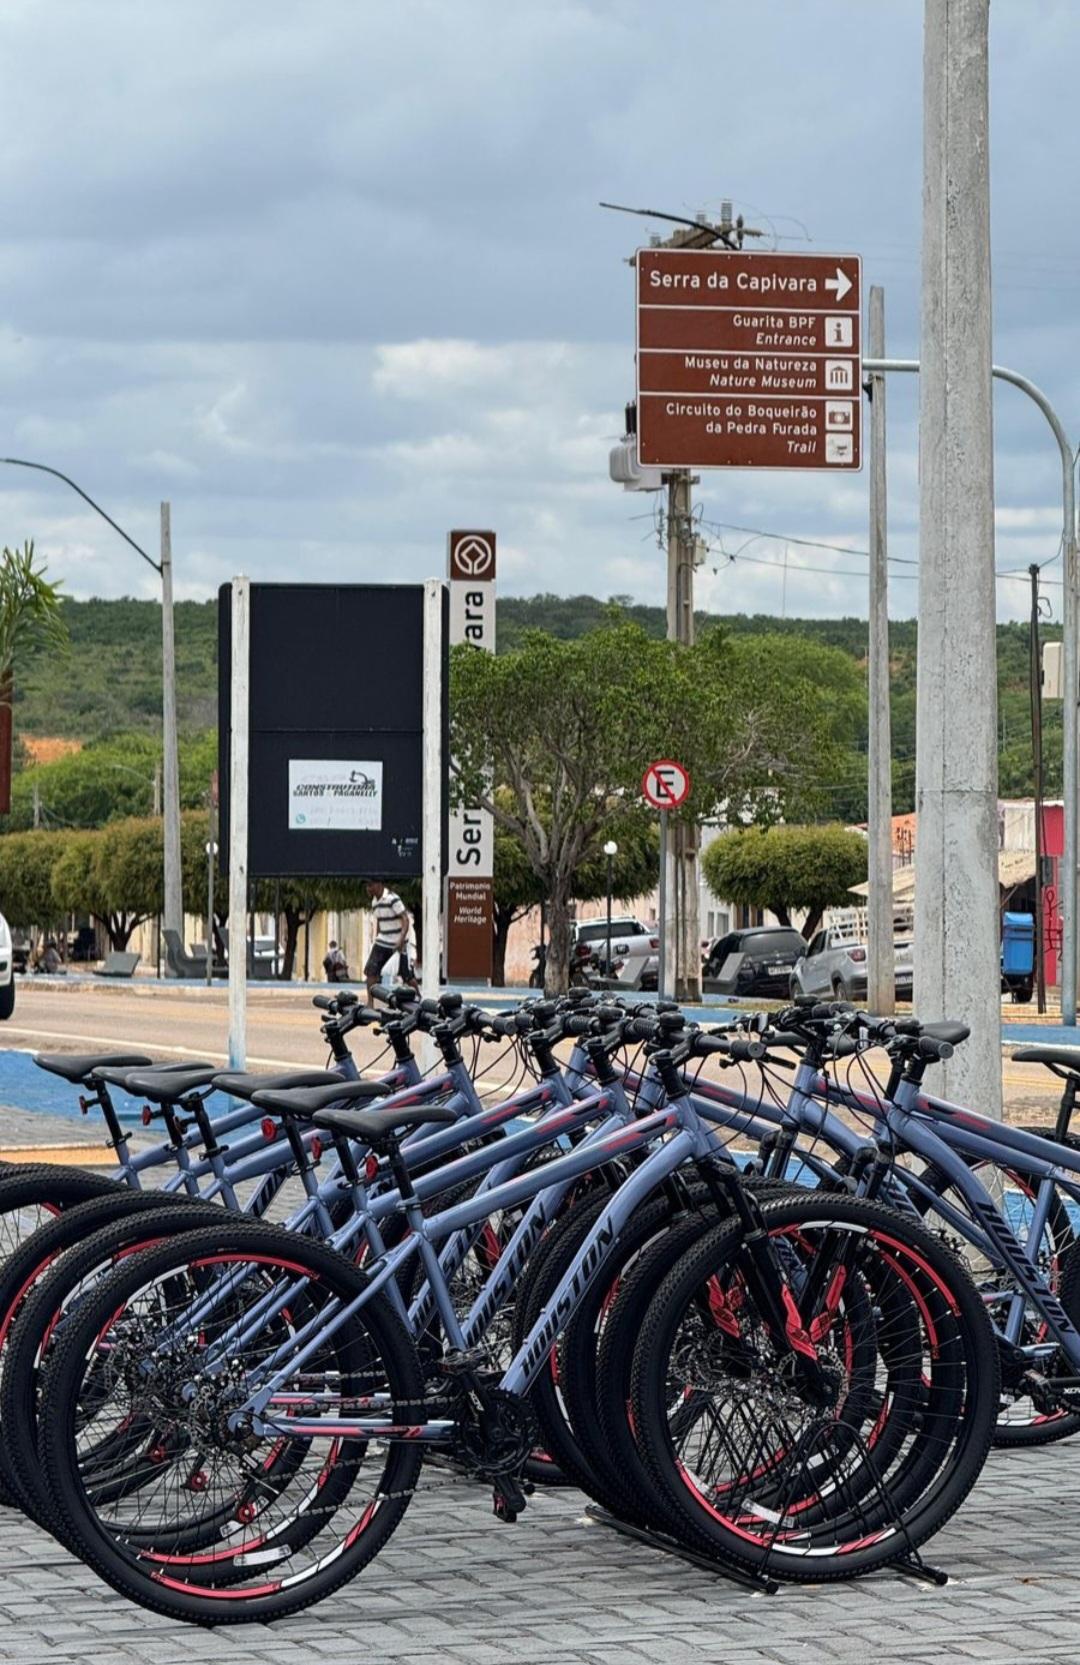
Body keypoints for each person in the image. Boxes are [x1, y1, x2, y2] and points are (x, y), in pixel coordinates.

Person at [364, 880, 419, 1001]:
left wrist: (401, 939)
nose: (368, 889)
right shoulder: (374, 902)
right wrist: (376, 938)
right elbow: (379, 920)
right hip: (383, 941)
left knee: (407, 976)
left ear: (379, 884)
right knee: (371, 971)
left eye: (370, 886)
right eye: (367, 886)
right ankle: (370, 1003)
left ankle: (419, 996)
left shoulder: (392, 899)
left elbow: (405, 919)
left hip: (397, 941)